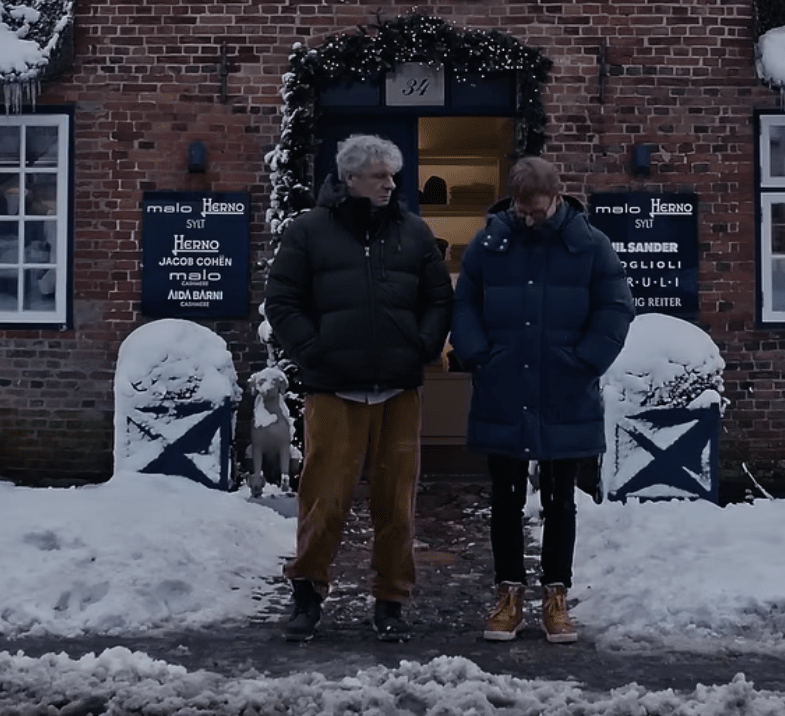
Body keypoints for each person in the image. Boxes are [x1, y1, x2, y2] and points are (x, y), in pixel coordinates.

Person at [263, 134, 454, 643]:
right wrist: (316, 350)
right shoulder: (309, 232)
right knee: (324, 500)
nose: (390, 183)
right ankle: (307, 596)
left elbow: (439, 298)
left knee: (396, 503)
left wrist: (423, 343)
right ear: (351, 180)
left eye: (392, 174)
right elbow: (281, 300)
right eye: (379, 175)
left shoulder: (414, 234)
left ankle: (391, 601)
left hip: (398, 389)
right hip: (333, 390)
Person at [450, 156, 634, 644]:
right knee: (505, 499)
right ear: (513, 200)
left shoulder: (591, 246)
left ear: (556, 196)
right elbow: (464, 302)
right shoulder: (490, 244)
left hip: (564, 388)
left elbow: (616, 309)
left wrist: (584, 362)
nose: (529, 218)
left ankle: (556, 595)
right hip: (505, 384)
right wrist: (477, 355)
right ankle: (508, 593)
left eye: (537, 209)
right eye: (522, 209)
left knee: (560, 500)